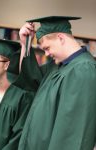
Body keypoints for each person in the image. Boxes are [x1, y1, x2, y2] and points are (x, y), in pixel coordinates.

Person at [16, 16, 96, 150]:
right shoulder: (58, 66)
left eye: (47, 47)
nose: (46, 54)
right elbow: (30, 78)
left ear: (61, 38)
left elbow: (71, 134)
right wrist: (25, 44)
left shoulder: (83, 70)